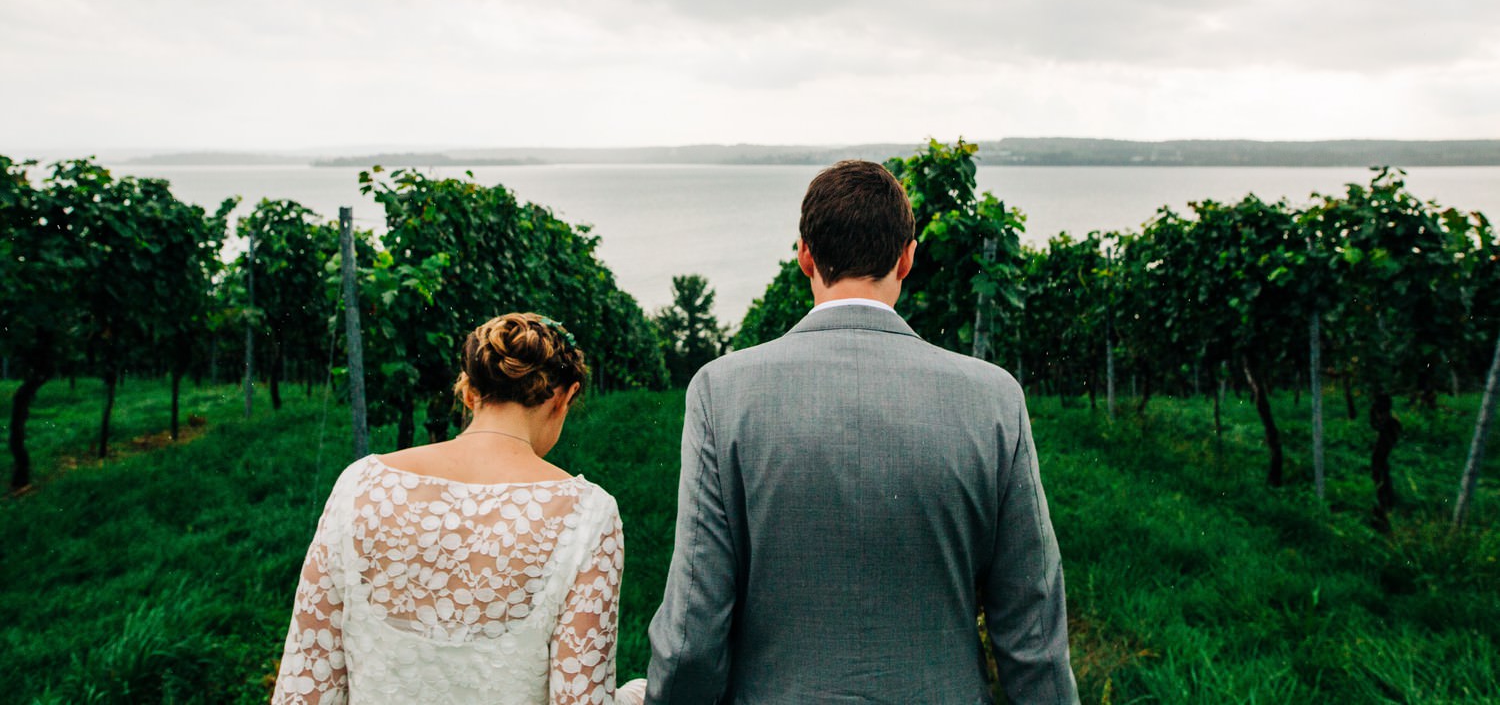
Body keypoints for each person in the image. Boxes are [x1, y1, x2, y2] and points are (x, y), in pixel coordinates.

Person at [645, 160, 1078, 704]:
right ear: (907, 257)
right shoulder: (994, 397)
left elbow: (691, 636)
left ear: (804, 254)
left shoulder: (721, 391)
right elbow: (1033, 630)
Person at [272, 313, 646, 704]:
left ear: (467, 392)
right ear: (564, 398)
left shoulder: (358, 484)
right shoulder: (588, 514)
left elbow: (304, 686)